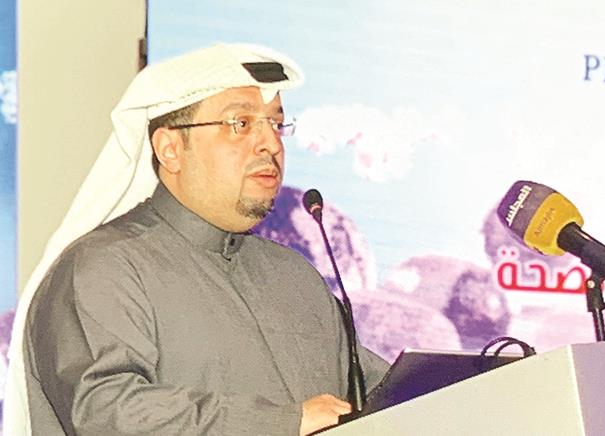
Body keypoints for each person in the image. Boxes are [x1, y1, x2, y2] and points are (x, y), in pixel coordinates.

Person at [4, 43, 389, 435]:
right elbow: (107, 413)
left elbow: (381, 397)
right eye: (241, 124)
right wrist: (282, 423)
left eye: (276, 124)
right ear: (170, 149)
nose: (272, 145)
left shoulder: (295, 277)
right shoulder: (103, 269)